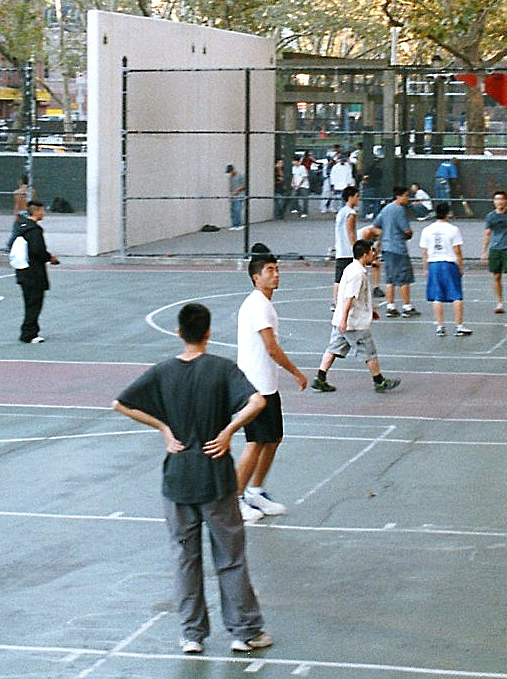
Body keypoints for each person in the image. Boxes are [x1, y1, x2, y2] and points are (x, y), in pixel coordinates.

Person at [112, 302, 272, 656]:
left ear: (179, 332)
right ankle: (245, 631)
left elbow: (120, 403)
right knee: (229, 557)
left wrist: (164, 428)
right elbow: (257, 401)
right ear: (209, 332)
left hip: (178, 479)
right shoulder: (222, 369)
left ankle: (192, 634)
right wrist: (230, 429)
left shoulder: (163, 371)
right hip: (215, 477)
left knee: (185, 558)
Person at [235, 245, 306, 523]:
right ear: (256, 277)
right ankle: (235, 499)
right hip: (254, 388)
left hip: (267, 385)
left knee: (273, 439)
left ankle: (255, 491)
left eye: (277, 270)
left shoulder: (265, 303)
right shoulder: (257, 305)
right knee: (255, 442)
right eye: (270, 271)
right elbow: (271, 348)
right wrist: (296, 373)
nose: (276, 275)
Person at [312, 238, 401, 391]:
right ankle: (379, 381)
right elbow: (350, 298)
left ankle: (320, 377)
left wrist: (369, 311)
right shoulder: (357, 274)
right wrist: (345, 320)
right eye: (372, 251)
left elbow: (358, 297)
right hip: (353, 323)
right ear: (365, 254)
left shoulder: (350, 268)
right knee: (369, 351)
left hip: (343, 320)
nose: (374, 254)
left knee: (333, 349)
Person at [11, 199, 59, 343]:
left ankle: (30, 330)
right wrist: (50, 258)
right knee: (34, 303)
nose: (43, 213)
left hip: (23, 271)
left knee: (29, 303)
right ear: (36, 211)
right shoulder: (34, 231)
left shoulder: (21, 227)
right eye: (42, 210)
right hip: (34, 273)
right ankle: (29, 333)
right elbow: (38, 250)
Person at [420, 200, 470, 336]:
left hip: (434, 264)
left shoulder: (427, 230)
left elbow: (424, 253)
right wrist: (461, 266)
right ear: (448, 214)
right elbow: (457, 251)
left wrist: (425, 269)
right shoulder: (453, 229)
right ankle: (459, 326)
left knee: (437, 296)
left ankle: (440, 326)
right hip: (449, 263)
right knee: (456, 295)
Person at [373, 185, 418, 317]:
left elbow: (375, 225)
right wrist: (409, 234)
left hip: (387, 248)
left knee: (390, 278)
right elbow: (406, 230)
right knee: (404, 278)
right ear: (399, 196)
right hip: (398, 247)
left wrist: (385, 235)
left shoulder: (386, 209)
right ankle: (406, 306)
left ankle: (390, 306)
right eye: (406, 196)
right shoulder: (399, 210)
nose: (407, 198)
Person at [331, 185, 360, 311]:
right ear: (350, 197)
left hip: (341, 250)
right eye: (357, 197)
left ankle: (335, 301)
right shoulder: (350, 213)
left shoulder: (341, 212)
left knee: (339, 277)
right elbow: (350, 232)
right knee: (350, 276)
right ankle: (345, 300)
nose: (358, 199)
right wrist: (355, 248)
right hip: (347, 251)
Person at [226, 164, 246, 228]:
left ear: (233, 170)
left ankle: (239, 224)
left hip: (239, 195)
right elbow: (231, 188)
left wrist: (237, 190)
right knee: (232, 210)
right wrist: (230, 196)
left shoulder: (240, 175)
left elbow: (244, 185)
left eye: (231, 172)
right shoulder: (230, 177)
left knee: (237, 209)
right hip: (233, 195)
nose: (230, 173)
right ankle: (234, 225)